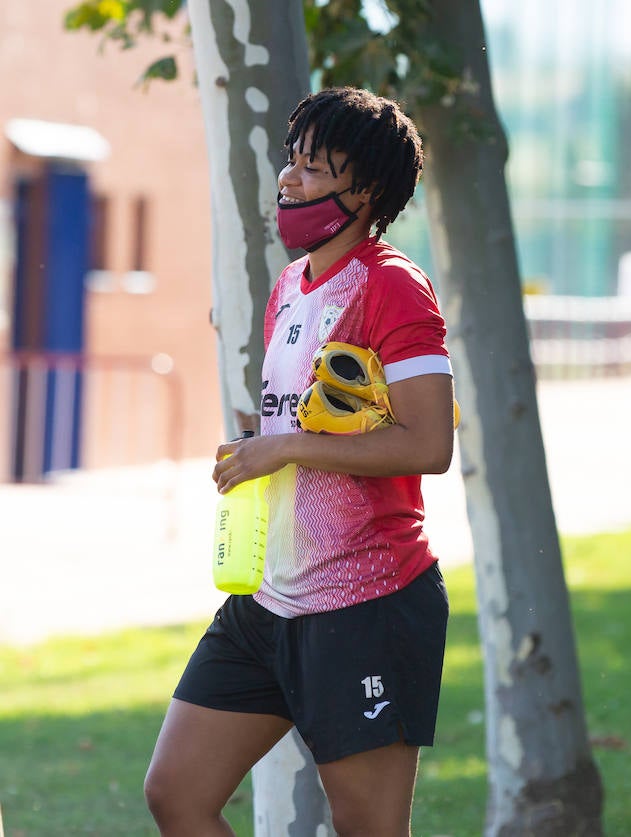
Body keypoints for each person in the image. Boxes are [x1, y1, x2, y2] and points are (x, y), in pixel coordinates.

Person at [144, 87, 456, 836]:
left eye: (316, 168)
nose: (291, 179)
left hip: (367, 605)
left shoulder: (393, 285)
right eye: (293, 161)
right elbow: (318, 420)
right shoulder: (291, 284)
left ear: (368, 188)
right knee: (177, 792)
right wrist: (264, 438)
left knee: (368, 830)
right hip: (268, 601)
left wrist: (281, 446)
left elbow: (429, 444)